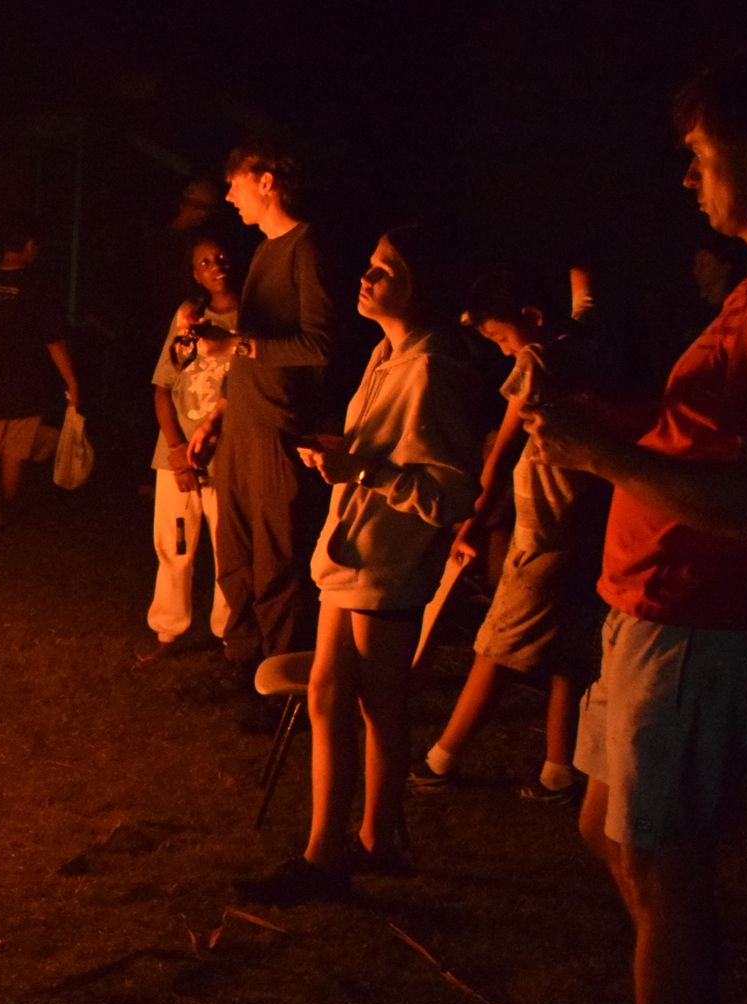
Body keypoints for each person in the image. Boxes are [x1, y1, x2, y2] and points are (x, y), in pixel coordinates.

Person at [522, 50, 747, 1004]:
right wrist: (606, 414)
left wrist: (597, 454)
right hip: (650, 609)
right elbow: (706, 436)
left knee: (663, 863)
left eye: (699, 155)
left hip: (697, 619)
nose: (688, 179)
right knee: (609, 829)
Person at [238, 225, 479, 904]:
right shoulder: (385, 355)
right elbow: (382, 449)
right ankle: (350, 845)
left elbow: (450, 493)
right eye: (370, 264)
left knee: (378, 704)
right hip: (351, 554)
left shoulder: (431, 370)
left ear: (420, 288)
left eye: (385, 269)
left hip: (385, 563)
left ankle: (357, 846)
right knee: (327, 695)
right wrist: (341, 453)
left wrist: (363, 472)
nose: (367, 277)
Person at [409, 269, 616, 802]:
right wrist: (580, 269)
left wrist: (471, 524)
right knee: (568, 649)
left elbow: (501, 453)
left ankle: (439, 761)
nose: (502, 350)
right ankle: (558, 771)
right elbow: (586, 302)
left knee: (496, 646)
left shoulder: (537, 361)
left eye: (500, 337)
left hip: (542, 530)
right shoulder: (587, 343)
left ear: (533, 318)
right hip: (587, 527)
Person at [189, 143, 337, 672]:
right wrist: (218, 415)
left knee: (277, 561)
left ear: (267, 182)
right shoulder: (263, 252)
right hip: (241, 425)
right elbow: (248, 347)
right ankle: (242, 664)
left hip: (279, 427)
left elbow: (318, 345)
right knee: (234, 557)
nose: (230, 196)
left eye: (236, 183)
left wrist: (238, 345)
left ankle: (282, 675)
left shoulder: (307, 248)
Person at [145, 234, 240, 655]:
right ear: (195, 275)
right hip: (179, 453)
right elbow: (163, 386)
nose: (215, 266)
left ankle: (230, 631)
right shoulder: (189, 317)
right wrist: (176, 451)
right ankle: (168, 629)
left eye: (221, 257)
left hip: (229, 455)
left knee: (228, 547)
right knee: (174, 543)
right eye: (204, 263)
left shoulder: (251, 320)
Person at [0, 218, 81, 531]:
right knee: (14, 454)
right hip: (25, 383)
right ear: (27, 245)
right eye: (34, 244)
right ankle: (1, 508)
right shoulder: (37, 286)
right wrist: (71, 381)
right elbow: (54, 341)